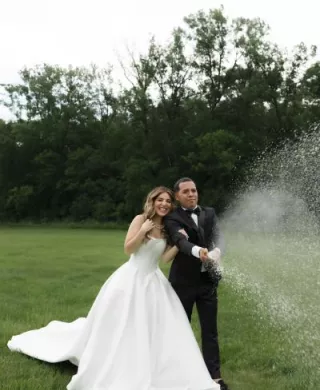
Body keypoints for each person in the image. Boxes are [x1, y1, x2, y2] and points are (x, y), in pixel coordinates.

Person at [8, 186, 220, 390]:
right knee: (122, 322)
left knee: (152, 325)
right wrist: (143, 231)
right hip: (131, 278)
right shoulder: (140, 220)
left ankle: (150, 363)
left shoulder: (168, 228)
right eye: (160, 200)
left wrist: (177, 242)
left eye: (167, 201)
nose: (164, 204)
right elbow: (128, 248)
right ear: (152, 202)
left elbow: (164, 259)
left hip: (154, 281)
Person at [164, 178, 229, 390]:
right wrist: (198, 251)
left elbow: (219, 237)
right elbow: (180, 242)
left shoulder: (209, 213)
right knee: (180, 329)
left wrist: (217, 251)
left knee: (210, 330)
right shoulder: (173, 217)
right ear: (177, 196)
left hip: (207, 281)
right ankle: (179, 374)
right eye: (186, 191)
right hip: (182, 282)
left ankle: (215, 377)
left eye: (194, 190)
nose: (192, 194)